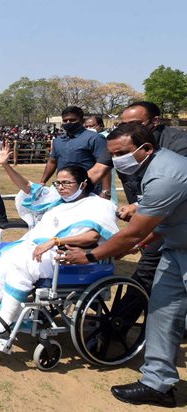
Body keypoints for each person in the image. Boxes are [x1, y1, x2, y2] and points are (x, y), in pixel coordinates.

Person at [63, 123, 187, 408]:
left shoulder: (165, 175)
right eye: (113, 154)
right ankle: (158, 384)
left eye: (122, 153)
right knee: (161, 313)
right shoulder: (149, 169)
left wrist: (90, 256)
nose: (116, 160)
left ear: (146, 149)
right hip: (175, 248)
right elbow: (162, 223)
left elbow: (133, 231)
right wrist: (136, 247)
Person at [0, 147, 118, 338]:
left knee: (22, 264)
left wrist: (55, 241)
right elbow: (28, 187)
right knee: (3, 261)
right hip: (42, 249)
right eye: (58, 183)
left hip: (69, 256)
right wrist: (5, 165)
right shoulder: (58, 200)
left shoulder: (100, 205)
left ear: (83, 184)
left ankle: (4, 323)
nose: (61, 187)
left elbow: (92, 237)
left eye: (66, 183)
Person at [86, 102, 187, 336]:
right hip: (155, 220)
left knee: (147, 270)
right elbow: (96, 172)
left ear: (155, 122)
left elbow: (171, 187)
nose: (127, 127)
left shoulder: (178, 144)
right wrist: (68, 191)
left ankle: (117, 326)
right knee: (153, 270)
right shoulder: (119, 142)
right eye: (123, 123)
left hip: (168, 216)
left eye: (135, 123)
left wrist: (90, 256)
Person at [40, 106, 111, 197]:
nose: (68, 123)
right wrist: (42, 182)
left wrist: (106, 191)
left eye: (72, 120)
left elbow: (104, 165)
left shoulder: (95, 138)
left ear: (81, 121)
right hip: (63, 189)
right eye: (65, 120)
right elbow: (52, 162)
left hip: (88, 190)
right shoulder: (58, 141)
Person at [84, 115, 118, 205]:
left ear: (101, 126)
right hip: (94, 168)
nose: (89, 128)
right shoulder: (89, 138)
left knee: (108, 187)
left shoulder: (106, 137)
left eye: (92, 126)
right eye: (86, 126)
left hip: (105, 167)